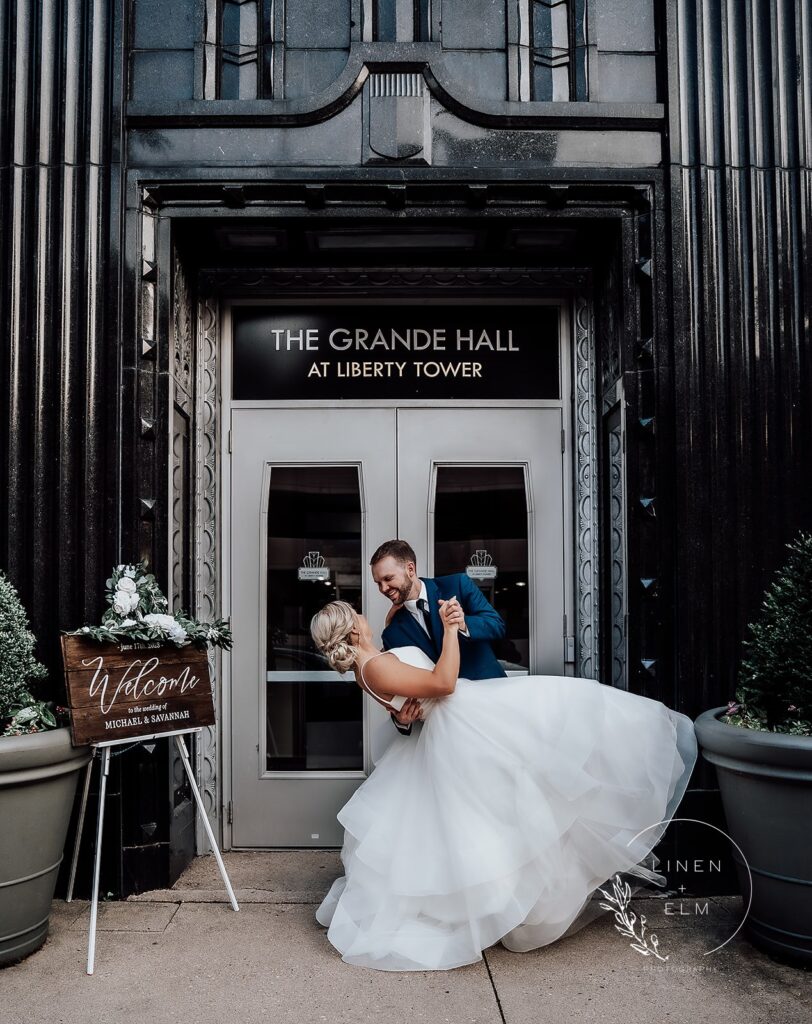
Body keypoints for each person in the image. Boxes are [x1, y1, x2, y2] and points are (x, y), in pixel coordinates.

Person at [310, 599, 698, 972]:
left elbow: (409, 700)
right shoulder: (374, 666)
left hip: (461, 721)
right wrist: (449, 630)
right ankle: (504, 904)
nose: (364, 615)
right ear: (350, 628)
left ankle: (507, 901)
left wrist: (405, 708)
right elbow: (443, 683)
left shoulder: (372, 662)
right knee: (525, 790)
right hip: (464, 724)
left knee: (516, 798)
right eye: (356, 614)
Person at [370, 539, 507, 736]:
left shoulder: (458, 584)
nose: (383, 588)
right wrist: (401, 720)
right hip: (448, 727)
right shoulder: (392, 633)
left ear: (410, 569)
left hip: (493, 702)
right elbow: (403, 688)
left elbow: (497, 625)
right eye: (378, 583)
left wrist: (463, 623)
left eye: (388, 578)